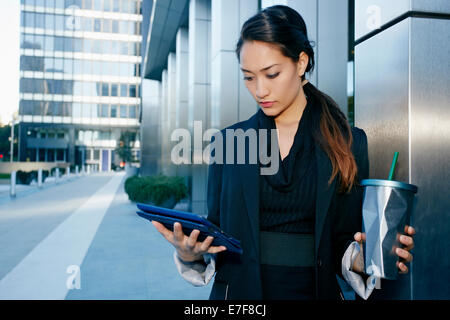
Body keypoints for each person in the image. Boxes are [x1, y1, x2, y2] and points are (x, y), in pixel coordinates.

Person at [151, 5, 415, 300]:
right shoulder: (229, 143)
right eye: (249, 77)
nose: (260, 90)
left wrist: (366, 257)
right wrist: (190, 255)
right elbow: (216, 236)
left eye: (271, 74)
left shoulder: (347, 143)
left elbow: (343, 240)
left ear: (301, 63)